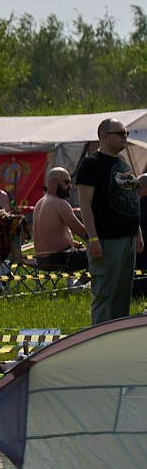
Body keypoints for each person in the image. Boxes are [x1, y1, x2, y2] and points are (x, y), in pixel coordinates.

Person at [77, 118, 142, 325]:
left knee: (122, 296)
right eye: (120, 134)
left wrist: (137, 232)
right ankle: (99, 342)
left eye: (126, 134)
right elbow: (85, 204)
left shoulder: (123, 163)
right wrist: (93, 238)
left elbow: (131, 199)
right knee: (105, 295)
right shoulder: (91, 164)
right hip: (106, 240)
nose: (125, 137)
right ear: (103, 136)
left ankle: (117, 343)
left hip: (128, 238)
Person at [30, 167, 89, 272]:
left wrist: (77, 244)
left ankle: (74, 285)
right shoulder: (60, 204)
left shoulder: (38, 204)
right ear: (54, 182)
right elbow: (82, 232)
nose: (70, 186)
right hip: (60, 259)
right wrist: (100, 240)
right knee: (100, 253)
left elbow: (52, 236)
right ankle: (79, 284)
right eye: (66, 182)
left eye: (70, 183)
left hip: (41, 260)